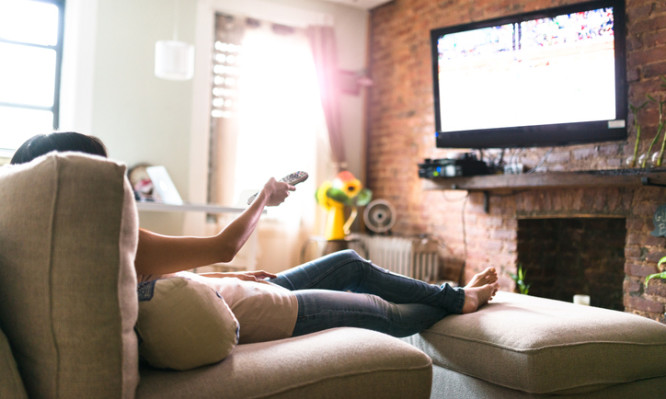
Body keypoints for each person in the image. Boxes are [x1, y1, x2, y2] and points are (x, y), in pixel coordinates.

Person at [11, 132, 499, 343]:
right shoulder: (109, 245)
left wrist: (231, 275)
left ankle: (454, 296)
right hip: (262, 312)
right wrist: (265, 197)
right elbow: (223, 243)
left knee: (350, 263)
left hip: (238, 291)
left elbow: (161, 281)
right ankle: (459, 301)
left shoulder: (69, 253)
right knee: (385, 315)